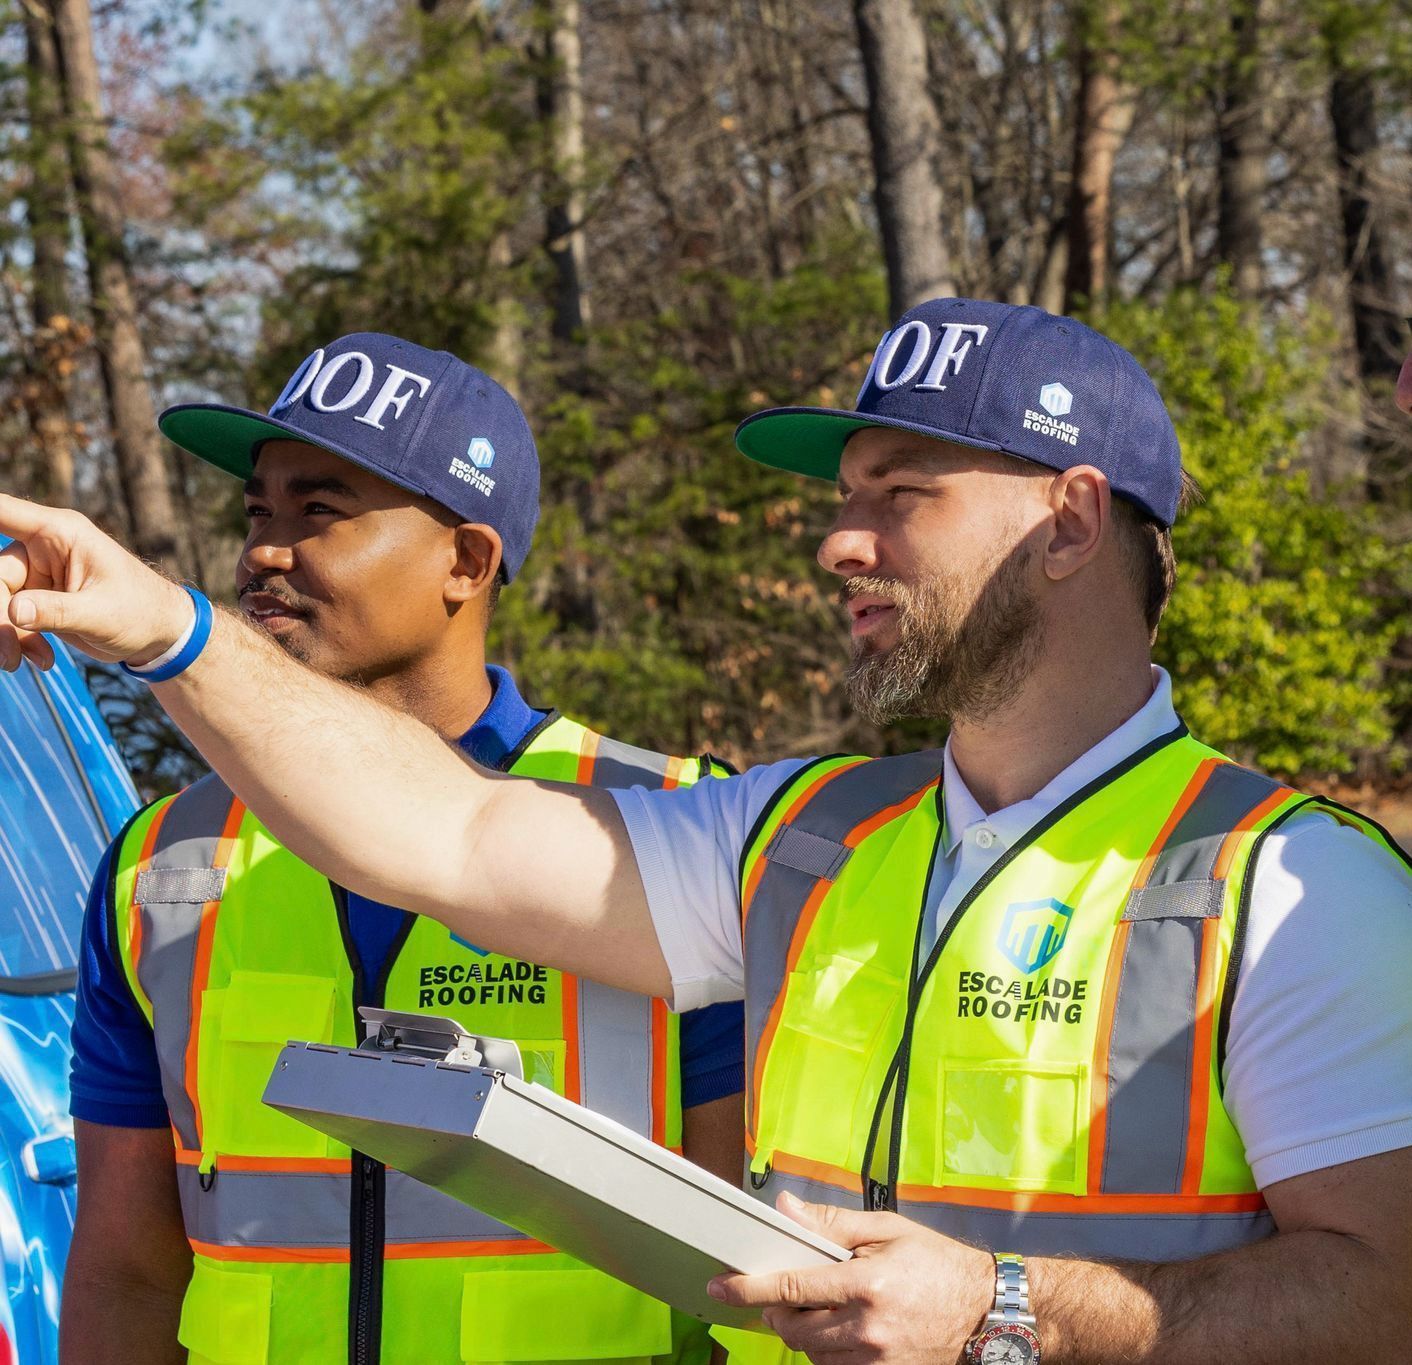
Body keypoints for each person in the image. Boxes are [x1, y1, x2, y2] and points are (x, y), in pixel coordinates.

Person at [4, 298, 1411, 1364]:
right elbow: (448, 837)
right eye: (844, 499)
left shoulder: (1290, 882)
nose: (837, 543)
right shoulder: (800, 830)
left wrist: (1005, 1308)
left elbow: (1384, 1294)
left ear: (1071, 518)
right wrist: (166, 628)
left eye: (898, 495)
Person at [54, 332, 745, 1365]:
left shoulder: (671, 831)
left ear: (466, 562)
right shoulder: (163, 863)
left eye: (318, 513)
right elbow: (127, 1271)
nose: (263, 553)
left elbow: (764, 1256)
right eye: (257, 512)